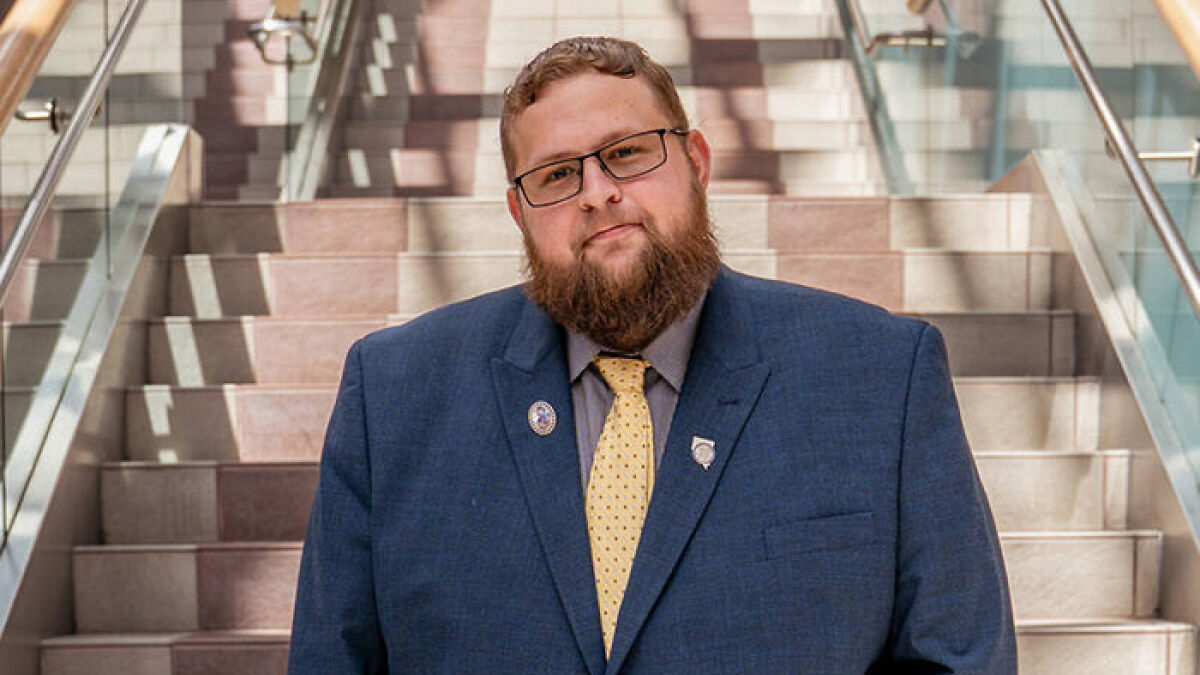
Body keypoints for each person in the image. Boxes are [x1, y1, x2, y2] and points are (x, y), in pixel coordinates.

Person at [288, 36, 1016, 674]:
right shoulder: (394, 393)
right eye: (556, 175)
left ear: (696, 161)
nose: (598, 193)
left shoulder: (878, 375)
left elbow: (958, 657)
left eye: (628, 154)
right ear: (519, 213)